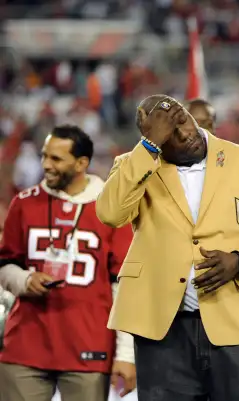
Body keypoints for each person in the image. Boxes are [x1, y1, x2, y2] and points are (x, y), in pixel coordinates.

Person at [96, 95, 239, 401]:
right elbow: (110, 213)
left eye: (184, 123)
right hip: (163, 329)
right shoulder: (135, 166)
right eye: (170, 134)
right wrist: (148, 148)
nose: (185, 135)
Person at [0, 125, 136, 401]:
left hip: (88, 345)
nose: (46, 165)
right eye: (44, 156)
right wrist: (23, 280)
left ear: (81, 163)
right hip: (25, 345)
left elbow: (124, 285)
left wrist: (125, 354)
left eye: (56, 159)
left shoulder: (111, 209)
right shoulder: (24, 204)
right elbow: (4, 264)